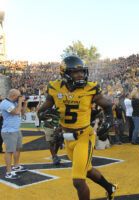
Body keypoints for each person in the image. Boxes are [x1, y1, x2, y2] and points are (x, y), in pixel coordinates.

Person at [37, 56, 117, 200]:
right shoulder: (55, 87)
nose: (80, 75)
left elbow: (107, 106)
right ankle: (109, 187)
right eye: (76, 72)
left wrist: (108, 121)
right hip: (66, 137)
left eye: (82, 72)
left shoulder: (90, 87)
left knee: (78, 181)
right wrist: (44, 115)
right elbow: (41, 111)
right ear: (65, 73)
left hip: (84, 136)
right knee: (86, 170)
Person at [0, 89, 28, 179]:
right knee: (9, 151)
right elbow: (16, 112)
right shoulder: (5, 103)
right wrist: (20, 102)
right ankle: (9, 172)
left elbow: (22, 113)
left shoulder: (14, 102)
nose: (19, 97)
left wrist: (25, 103)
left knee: (18, 148)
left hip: (16, 129)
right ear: (13, 96)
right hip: (9, 131)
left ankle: (16, 166)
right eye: (18, 96)